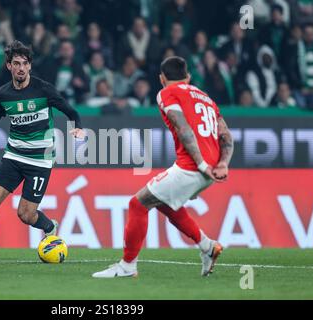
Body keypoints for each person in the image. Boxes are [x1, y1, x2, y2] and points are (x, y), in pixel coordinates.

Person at [93, 56, 234, 278]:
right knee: (164, 204)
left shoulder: (167, 93)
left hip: (194, 167)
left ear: (161, 78)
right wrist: (222, 164)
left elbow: (183, 128)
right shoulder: (206, 98)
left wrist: (201, 164)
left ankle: (127, 266)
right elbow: (226, 136)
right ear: (188, 77)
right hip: (211, 168)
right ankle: (208, 247)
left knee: (138, 204)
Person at [0, 41, 85, 263]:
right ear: (9, 66)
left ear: (30, 66)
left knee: (25, 214)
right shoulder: (3, 94)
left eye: (25, 63)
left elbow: (71, 112)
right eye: (16, 63)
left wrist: (77, 127)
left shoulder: (44, 90)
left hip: (40, 161)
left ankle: (49, 225)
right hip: (13, 156)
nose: (21, 68)